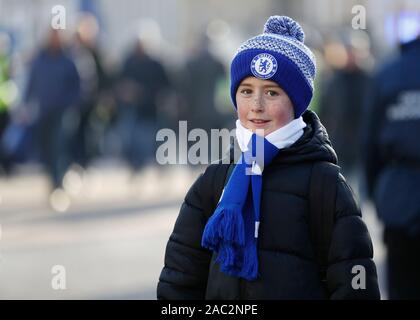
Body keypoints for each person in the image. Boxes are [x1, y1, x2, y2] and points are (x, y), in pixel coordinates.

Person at [157, 16, 380, 300]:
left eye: (272, 92)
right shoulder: (217, 177)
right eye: (246, 91)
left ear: (297, 102)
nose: (257, 106)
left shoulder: (324, 183)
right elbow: (180, 275)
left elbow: (354, 281)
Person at [362, 34, 420, 299]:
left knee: (402, 285)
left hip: (399, 199)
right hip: (400, 192)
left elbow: (370, 145)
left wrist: (378, 195)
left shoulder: (389, 74)